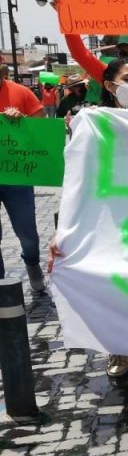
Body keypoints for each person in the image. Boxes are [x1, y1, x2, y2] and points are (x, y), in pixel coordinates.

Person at [50, 58, 128, 407]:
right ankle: (118, 348)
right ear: (109, 85)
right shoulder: (90, 122)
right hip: (107, 225)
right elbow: (76, 178)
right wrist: (64, 231)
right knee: (114, 291)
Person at [0, 65, 46, 292]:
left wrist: (22, 121)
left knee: (26, 230)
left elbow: (41, 127)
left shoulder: (21, 92)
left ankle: (32, 263)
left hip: (17, 173)